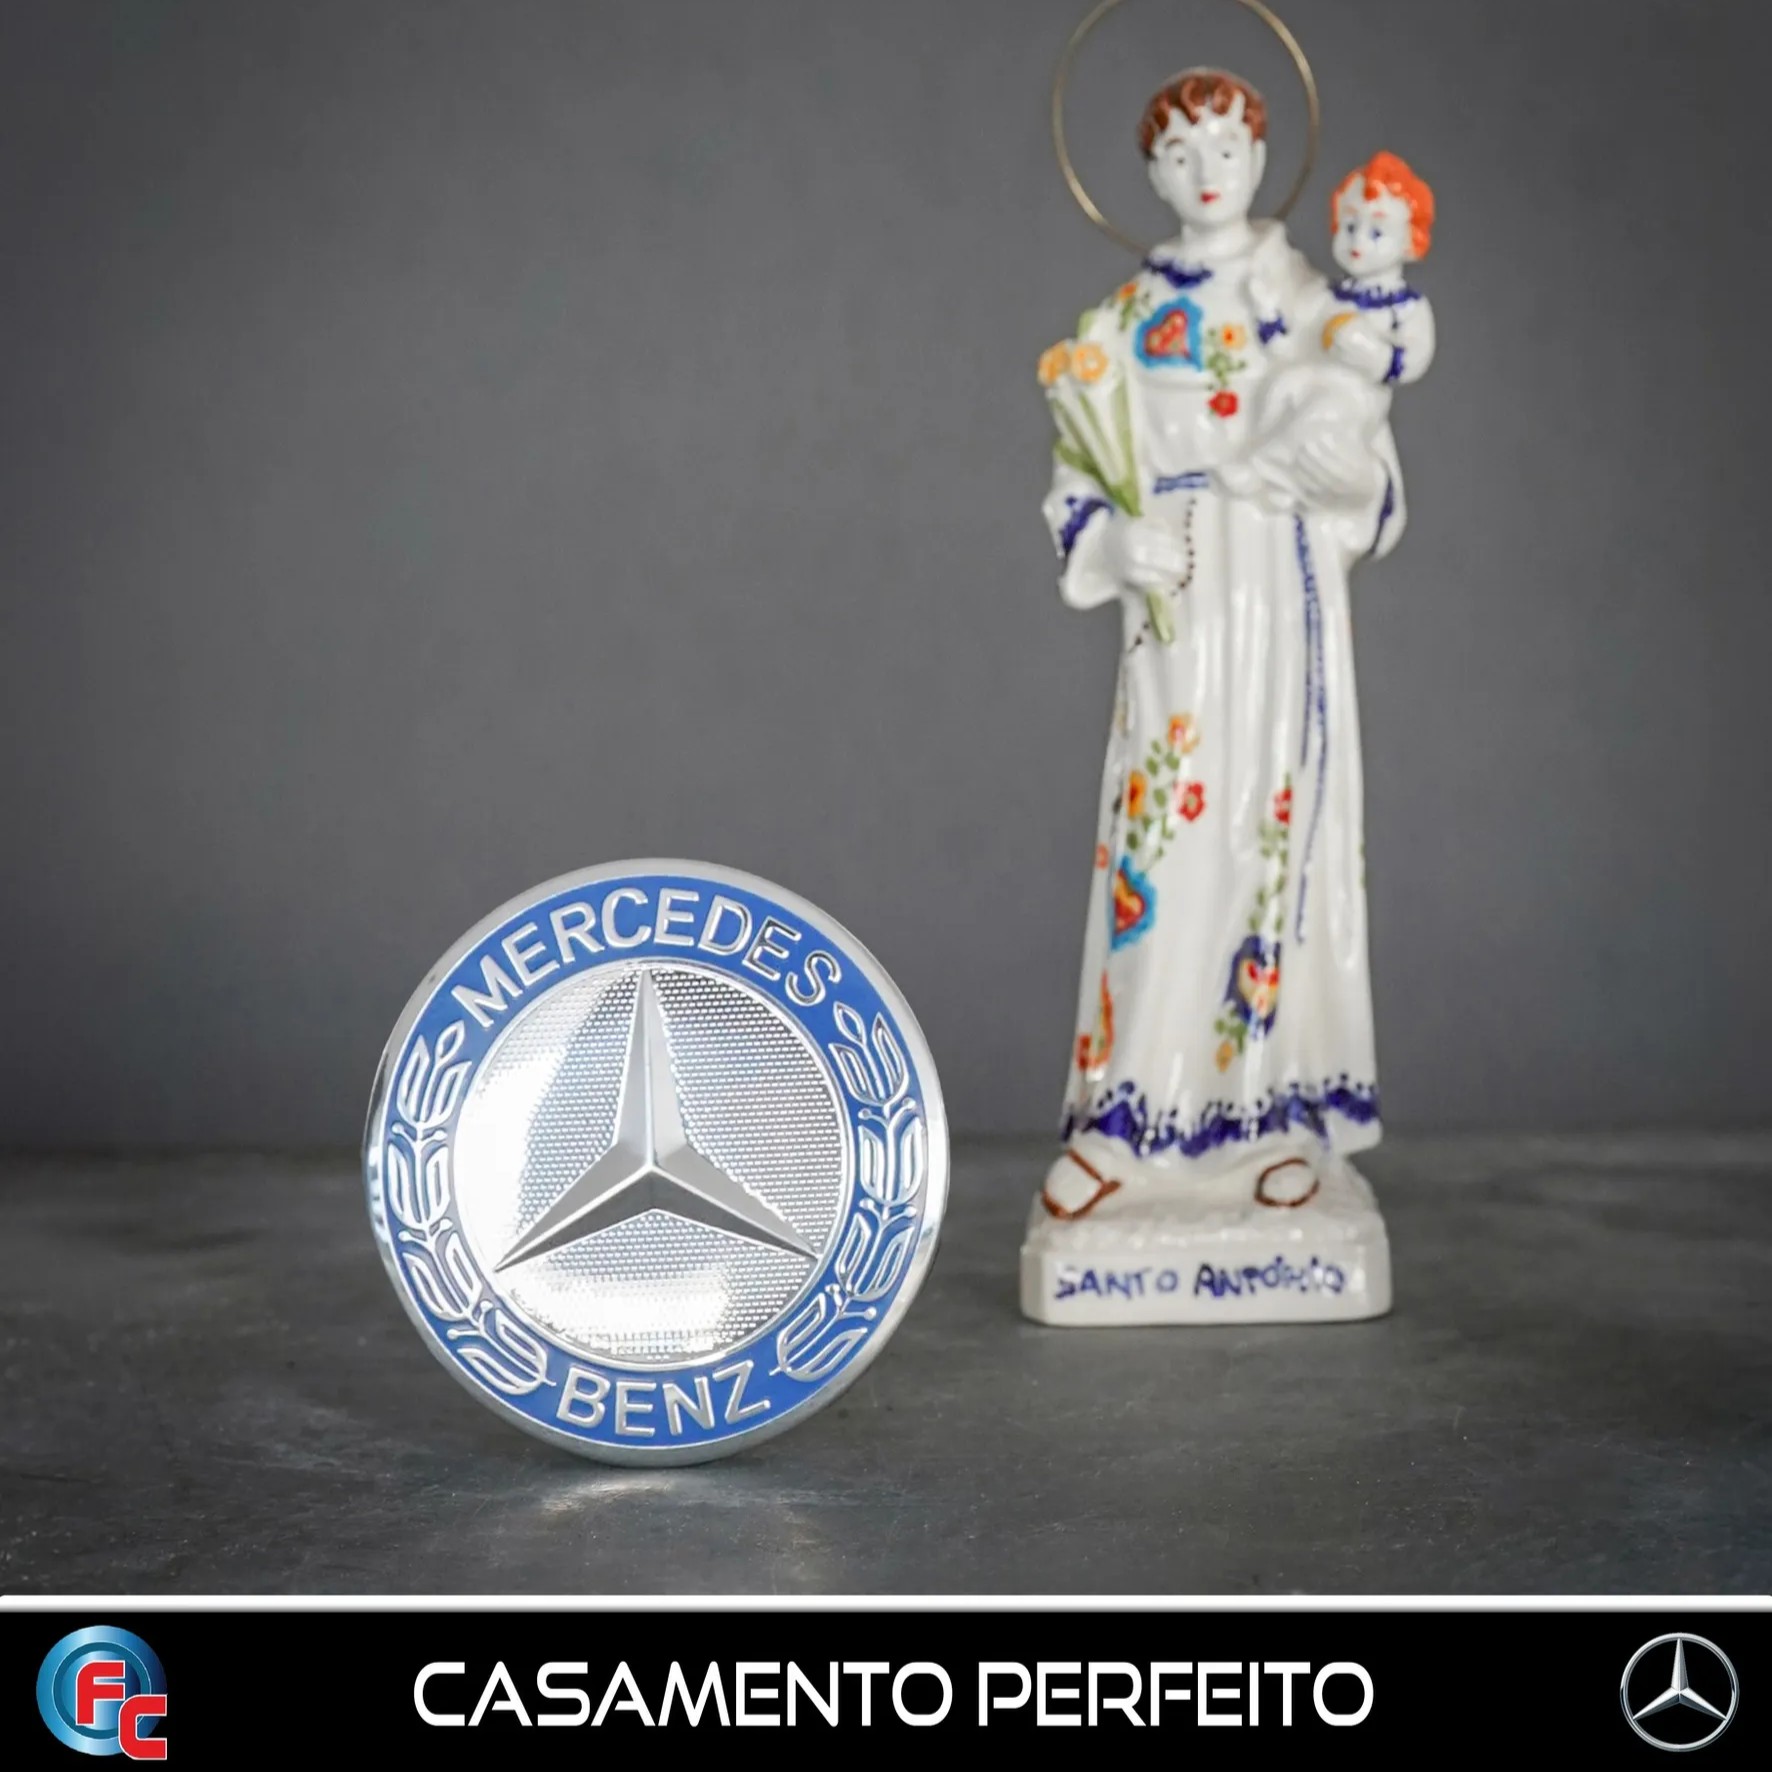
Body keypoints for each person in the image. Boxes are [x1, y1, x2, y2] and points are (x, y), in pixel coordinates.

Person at [1036, 70, 1415, 1219]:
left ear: (1260, 158)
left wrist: (1338, 476)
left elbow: (1368, 461)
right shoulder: (1114, 324)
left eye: (1227, 148)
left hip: (1278, 595)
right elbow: (1076, 473)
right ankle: (1126, 1117)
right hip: (1182, 592)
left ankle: (1272, 1116)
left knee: (1269, 834)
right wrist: (1113, 539)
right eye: (1180, 154)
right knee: (1158, 840)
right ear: (1150, 175)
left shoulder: (1306, 300)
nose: (1207, 172)